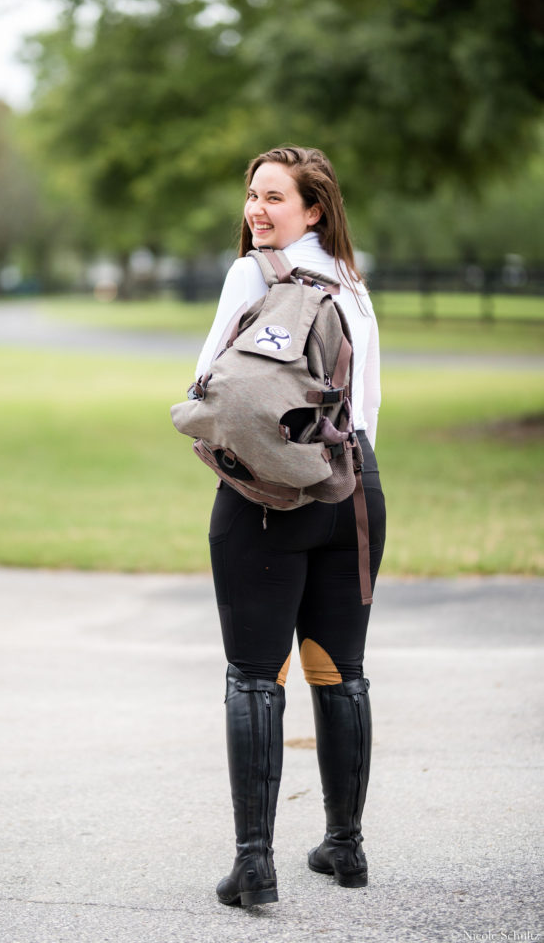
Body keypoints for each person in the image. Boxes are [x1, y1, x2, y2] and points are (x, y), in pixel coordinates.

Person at [195, 146, 387, 907]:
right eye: (251, 195)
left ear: (313, 209)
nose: (256, 211)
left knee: (253, 675)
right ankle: (346, 846)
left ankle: (255, 865)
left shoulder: (255, 273)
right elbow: (369, 403)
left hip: (272, 494)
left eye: (274, 197)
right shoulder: (354, 281)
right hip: (358, 487)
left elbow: (208, 383)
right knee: (341, 671)